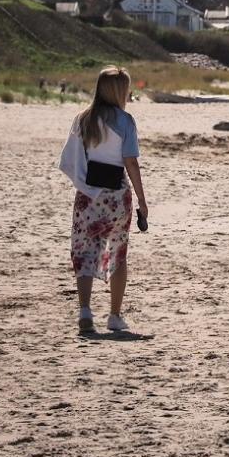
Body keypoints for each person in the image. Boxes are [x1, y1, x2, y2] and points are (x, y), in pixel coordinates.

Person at [58, 66, 147, 334]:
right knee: (118, 253)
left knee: (85, 251)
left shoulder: (82, 119)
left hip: (88, 194)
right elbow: (130, 162)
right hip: (116, 195)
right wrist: (143, 200)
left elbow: (74, 159)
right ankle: (114, 316)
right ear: (120, 90)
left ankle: (85, 311)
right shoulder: (125, 121)